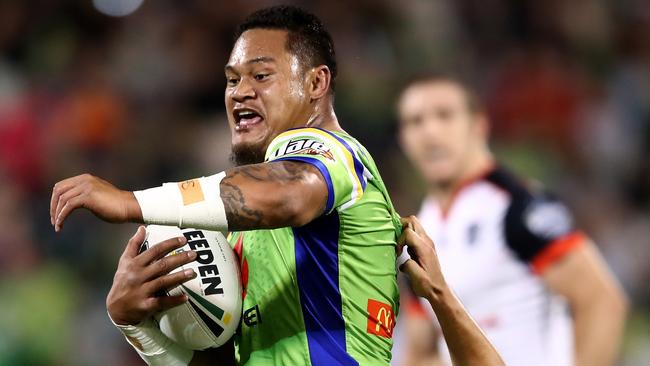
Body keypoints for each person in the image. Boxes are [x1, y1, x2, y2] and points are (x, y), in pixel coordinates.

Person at [51, 6, 404, 365]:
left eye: (261, 75)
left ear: (315, 83)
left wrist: (129, 202)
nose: (239, 93)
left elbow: (291, 194)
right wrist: (136, 324)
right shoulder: (238, 235)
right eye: (232, 80)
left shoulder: (337, 154)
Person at [395, 73, 628, 366]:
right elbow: (422, 349)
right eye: (415, 121)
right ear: (404, 139)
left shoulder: (516, 206)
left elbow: (601, 302)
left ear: (478, 125)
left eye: (445, 115)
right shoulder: (420, 226)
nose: (430, 132)